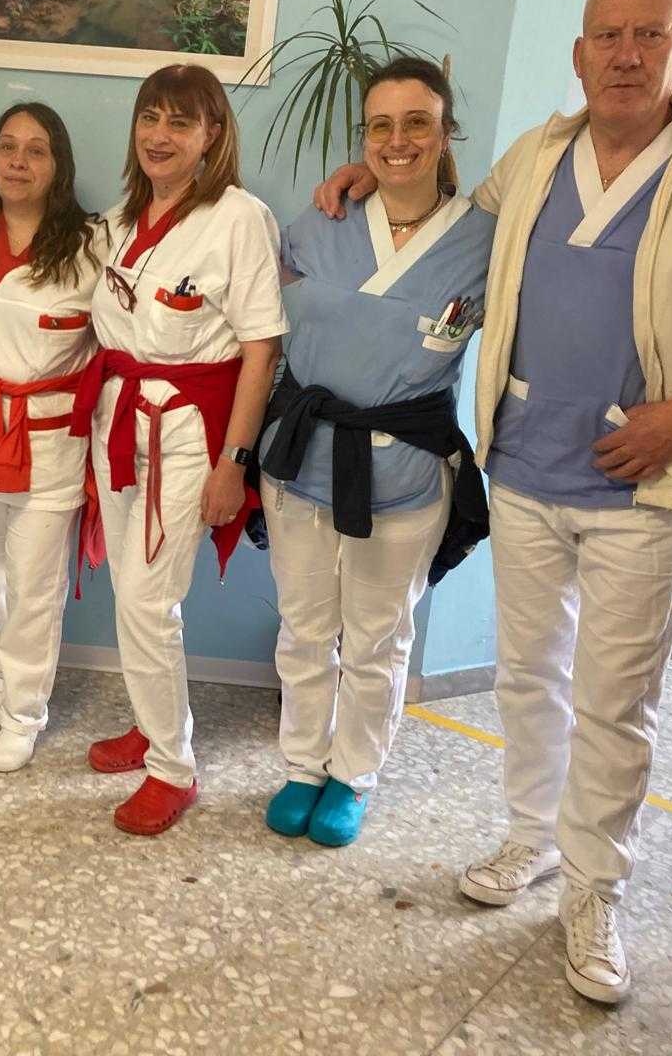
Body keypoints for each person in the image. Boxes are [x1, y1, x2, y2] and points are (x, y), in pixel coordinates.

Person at [314, 0, 672, 1003]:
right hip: (526, 469)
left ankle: (595, 891)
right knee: (527, 675)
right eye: (607, 36)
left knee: (615, 701)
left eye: (649, 34)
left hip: (643, 485)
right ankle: (532, 837)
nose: (626, 55)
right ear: (579, 53)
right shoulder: (539, 155)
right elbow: (452, 226)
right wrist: (372, 176)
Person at [259, 58, 494, 848]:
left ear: (446, 133)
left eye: (417, 122)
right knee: (304, 627)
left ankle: (353, 775)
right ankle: (303, 764)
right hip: (302, 458)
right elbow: (261, 307)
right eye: (381, 126)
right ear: (363, 138)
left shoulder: (483, 240)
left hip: (405, 469)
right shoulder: (325, 220)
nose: (399, 141)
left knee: (378, 637)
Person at [73, 64, 285, 835]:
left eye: (180, 122)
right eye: (150, 117)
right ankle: (150, 720)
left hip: (189, 434)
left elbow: (261, 349)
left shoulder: (238, 218)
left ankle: (173, 767)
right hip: (119, 420)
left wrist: (234, 463)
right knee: (129, 588)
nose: (159, 135)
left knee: (147, 597)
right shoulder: (120, 220)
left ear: (212, 135)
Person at [0, 102, 102, 772]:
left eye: (36, 150)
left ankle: (26, 712)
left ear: (59, 165)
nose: (19, 161)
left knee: (35, 582)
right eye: (8, 146)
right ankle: (7, 681)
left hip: (49, 438)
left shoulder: (92, 246)